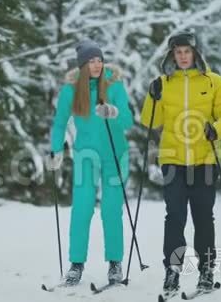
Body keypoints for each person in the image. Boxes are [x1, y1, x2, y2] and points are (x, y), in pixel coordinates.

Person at [140, 32, 221, 293]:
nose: (182, 56)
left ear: (196, 53)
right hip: (172, 159)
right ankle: (172, 270)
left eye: (187, 51)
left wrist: (215, 129)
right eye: (178, 52)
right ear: (171, 54)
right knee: (175, 217)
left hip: (205, 159)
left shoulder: (214, 81)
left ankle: (206, 270)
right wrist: (153, 96)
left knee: (203, 217)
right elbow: (150, 121)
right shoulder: (164, 83)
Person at [46, 40, 134, 286]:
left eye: (99, 60)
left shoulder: (114, 86)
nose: (96, 65)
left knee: (111, 209)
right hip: (86, 155)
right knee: (82, 208)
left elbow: (129, 121)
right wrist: (55, 150)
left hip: (116, 155)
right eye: (91, 61)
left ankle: (115, 263)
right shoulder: (71, 90)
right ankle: (76, 265)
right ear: (82, 65)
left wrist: (114, 113)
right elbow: (60, 122)